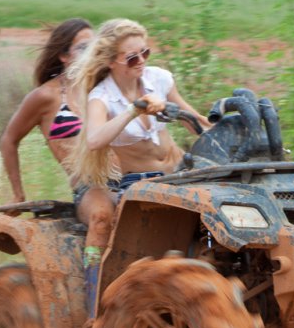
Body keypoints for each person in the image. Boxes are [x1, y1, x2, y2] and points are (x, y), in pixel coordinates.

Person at [0, 18, 116, 328]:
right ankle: (92, 312)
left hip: (131, 177)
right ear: (63, 55)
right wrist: (17, 194)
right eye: (83, 46)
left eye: (95, 45)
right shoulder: (46, 96)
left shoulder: (105, 88)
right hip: (89, 188)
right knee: (102, 215)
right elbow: (9, 139)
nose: (92, 51)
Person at [70, 16, 212, 204]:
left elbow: (194, 122)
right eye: (131, 58)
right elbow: (94, 141)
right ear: (110, 61)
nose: (140, 61)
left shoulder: (158, 78)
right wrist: (134, 110)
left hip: (179, 175)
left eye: (145, 53)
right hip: (139, 186)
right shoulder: (101, 96)